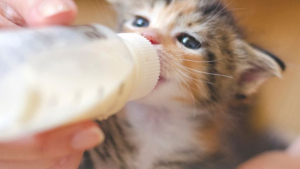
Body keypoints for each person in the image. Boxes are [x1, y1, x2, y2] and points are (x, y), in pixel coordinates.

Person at [0, 0, 299, 168]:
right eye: (140, 22)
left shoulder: (212, 156)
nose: (150, 36)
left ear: (243, 78)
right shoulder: (85, 120)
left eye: (187, 40)